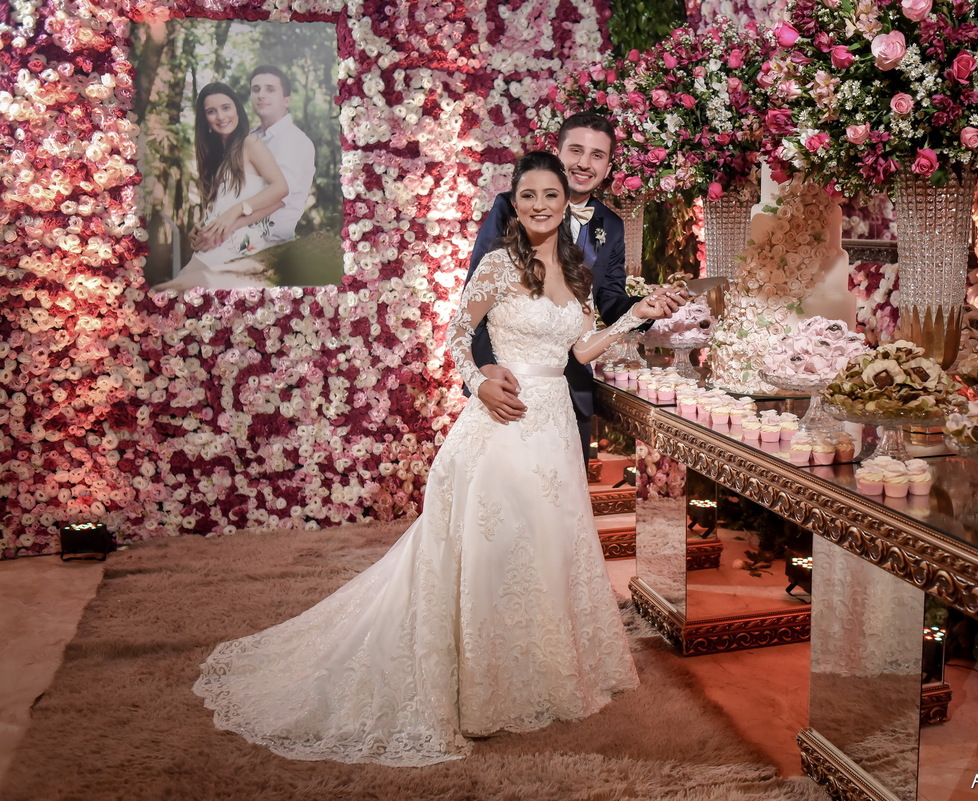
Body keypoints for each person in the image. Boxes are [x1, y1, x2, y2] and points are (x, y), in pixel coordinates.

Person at [192, 151, 674, 766]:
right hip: (504, 423)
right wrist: (478, 383)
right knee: (498, 552)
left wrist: (635, 316)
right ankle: (481, 690)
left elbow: (580, 350)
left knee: (549, 547)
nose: (540, 205)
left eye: (551, 195)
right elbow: (454, 335)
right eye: (528, 195)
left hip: (554, 427)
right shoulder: (499, 266)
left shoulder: (576, 273)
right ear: (515, 203)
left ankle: (540, 673)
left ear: (564, 201)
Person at [467, 111, 685, 462]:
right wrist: (484, 374)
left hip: (570, 387)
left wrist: (647, 308)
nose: (584, 163)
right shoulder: (510, 206)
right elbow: (474, 302)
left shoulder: (610, 225)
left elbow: (610, 300)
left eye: (597, 155)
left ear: (608, 166)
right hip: (507, 385)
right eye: (576, 151)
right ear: (557, 151)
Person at [153, 82, 289, 291]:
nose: (221, 116)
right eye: (211, 111)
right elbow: (222, 206)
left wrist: (235, 213)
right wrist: (202, 227)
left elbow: (280, 190)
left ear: (237, 109)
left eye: (226, 107)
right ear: (205, 119)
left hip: (238, 245)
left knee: (167, 293)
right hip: (213, 246)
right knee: (169, 297)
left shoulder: (250, 143)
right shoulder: (217, 157)